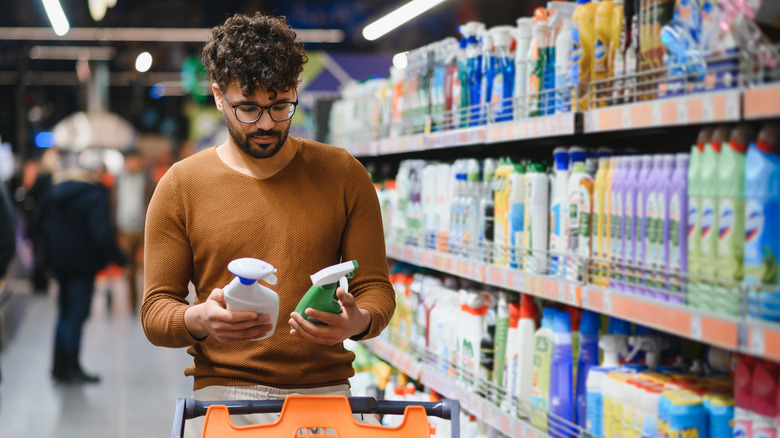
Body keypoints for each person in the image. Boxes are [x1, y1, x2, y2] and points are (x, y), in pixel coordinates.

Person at [140, 12, 395, 436]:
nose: (266, 124)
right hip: (225, 399)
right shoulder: (181, 186)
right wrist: (199, 319)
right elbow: (155, 310)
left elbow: (376, 289)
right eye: (248, 108)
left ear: (295, 88)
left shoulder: (344, 175)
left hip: (326, 398)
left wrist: (359, 321)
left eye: (280, 106)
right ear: (219, 96)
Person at [45, 154, 126, 383]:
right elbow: (101, 234)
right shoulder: (94, 195)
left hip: (59, 262)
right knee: (76, 315)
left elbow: (40, 223)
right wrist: (118, 258)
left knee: (64, 312)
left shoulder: (58, 192)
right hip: (82, 263)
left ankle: (59, 366)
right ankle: (71, 367)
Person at [114, 149, 153, 313]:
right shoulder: (118, 180)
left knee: (149, 267)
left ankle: (150, 302)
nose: (131, 164)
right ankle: (132, 303)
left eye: (134, 160)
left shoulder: (148, 181)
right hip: (125, 229)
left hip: (145, 228)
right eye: (129, 160)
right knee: (128, 267)